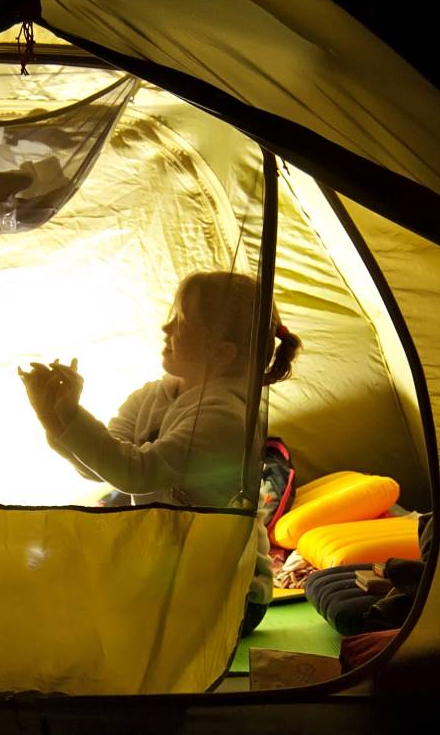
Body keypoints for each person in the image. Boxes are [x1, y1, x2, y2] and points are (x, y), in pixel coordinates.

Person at [19, 271, 301, 633]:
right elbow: (102, 466)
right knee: (53, 575)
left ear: (221, 351)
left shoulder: (226, 417)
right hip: (168, 571)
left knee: (72, 601)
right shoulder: (153, 395)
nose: (166, 328)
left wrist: (71, 413)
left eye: (181, 321)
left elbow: (134, 472)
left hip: (227, 593)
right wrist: (53, 418)